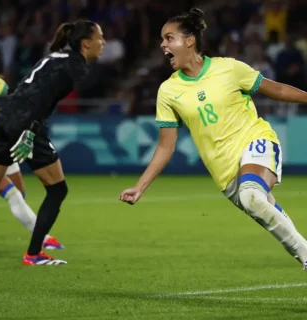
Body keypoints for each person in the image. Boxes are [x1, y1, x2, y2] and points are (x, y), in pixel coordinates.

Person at [119, 8, 307, 271]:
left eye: (168, 38)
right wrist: (140, 187)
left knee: (252, 196)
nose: (162, 45)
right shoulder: (168, 91)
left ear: (189, 40)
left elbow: (275, 89)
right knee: (263, 209)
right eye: (162, 39)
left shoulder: (228, 68)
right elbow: (166, 145)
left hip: (256, 141)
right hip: (224, 172)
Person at [0, 20, 105, 265]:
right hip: (25, 123)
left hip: (5, 118)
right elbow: (40, 97)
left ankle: (35, 252)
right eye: (100, 37)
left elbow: (25, 90)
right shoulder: (75, 66)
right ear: (86, 43)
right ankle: (33, 254)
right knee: (57, 189)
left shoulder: (56, 57)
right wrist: (30, 131)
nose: (103, 43)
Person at [0, 57, 64, 250]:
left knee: (20, 192)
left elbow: (8, 93)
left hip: (0, 139)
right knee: (12, 194)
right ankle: (44, 240)